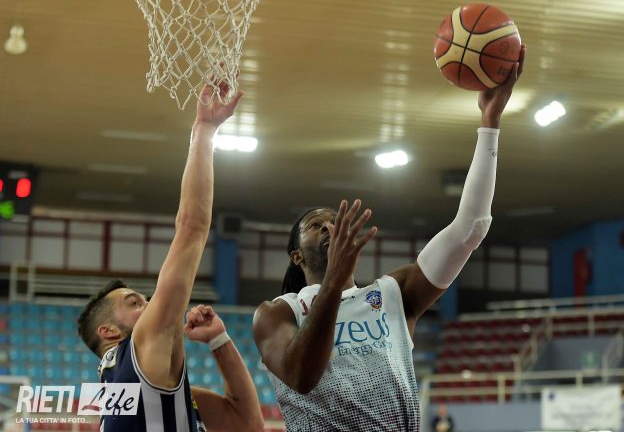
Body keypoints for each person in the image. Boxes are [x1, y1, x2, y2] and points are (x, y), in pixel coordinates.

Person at [253, 46, 526, 431]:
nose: (330, 227)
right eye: (316, 225)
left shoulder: (394, 294)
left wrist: (490, 122)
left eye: (336, 221)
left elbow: (472, 227)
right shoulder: (278, 313)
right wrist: (333, 282)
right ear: (297, 256)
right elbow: (301, 376)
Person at [77, 80, 264, 431]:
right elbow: (191, 227)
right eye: (135, 303)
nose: (151, 305)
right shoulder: (137, 357)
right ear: (109, 331)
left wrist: (219, 341)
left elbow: (245, 424)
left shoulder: (123, 395)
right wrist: (204, 129)